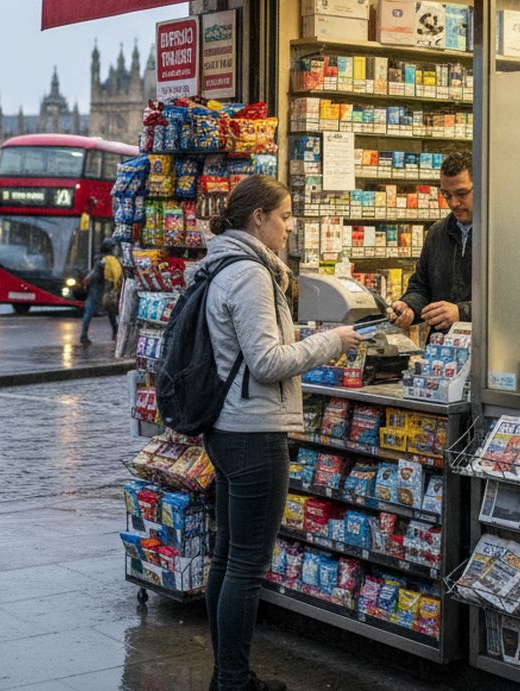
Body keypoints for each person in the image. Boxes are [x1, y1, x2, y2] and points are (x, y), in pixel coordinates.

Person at [202, 175, 362, 691]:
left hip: (228, 427)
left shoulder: (222, 263)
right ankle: (233, 680)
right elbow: (268, 361)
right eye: (286, 216)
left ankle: (226, 674)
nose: (291, 227)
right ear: (258, 218)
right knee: (245, 564)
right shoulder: (249, 273)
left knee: (228, 557)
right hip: (253, 431)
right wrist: (330, 342)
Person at [388, 149, 474, 332]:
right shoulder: (437, 233)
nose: (454, 203)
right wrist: (409, 307)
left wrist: (462, 312)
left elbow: (512, 300)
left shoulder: (498, 236)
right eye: (447, 195)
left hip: (487, 350)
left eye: (462, 193)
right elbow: (421, 286)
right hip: (441, 353)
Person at [79, 239, 121, 347]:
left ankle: (85, 335)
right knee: (107, 310)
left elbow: (92, 274)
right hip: (102, 287)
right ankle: (115, 333)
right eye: (114, 247)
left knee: (96, 310)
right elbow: (117, 275)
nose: (116, 249)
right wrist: (117, 287)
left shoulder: (100, 259)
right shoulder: (108, 260)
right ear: (110, 248)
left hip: (97, 287)